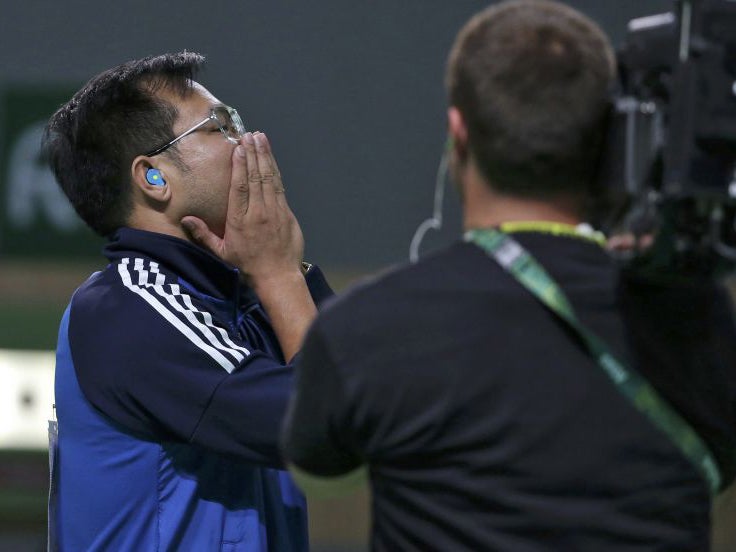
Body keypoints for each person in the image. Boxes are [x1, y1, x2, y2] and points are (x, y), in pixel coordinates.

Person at [281, 1, 736, 550]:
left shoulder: (369, 326)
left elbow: (322, 474)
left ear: (459, 133)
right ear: (608, 139)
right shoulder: (698, 318)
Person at [44, 51, 331, 551]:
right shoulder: (125, 309)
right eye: (219, 125)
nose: (247, 140)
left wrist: (283, 274)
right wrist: (280, 274)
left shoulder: (241, 293)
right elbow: (327, 424)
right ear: (153, 178)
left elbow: (375, 400)